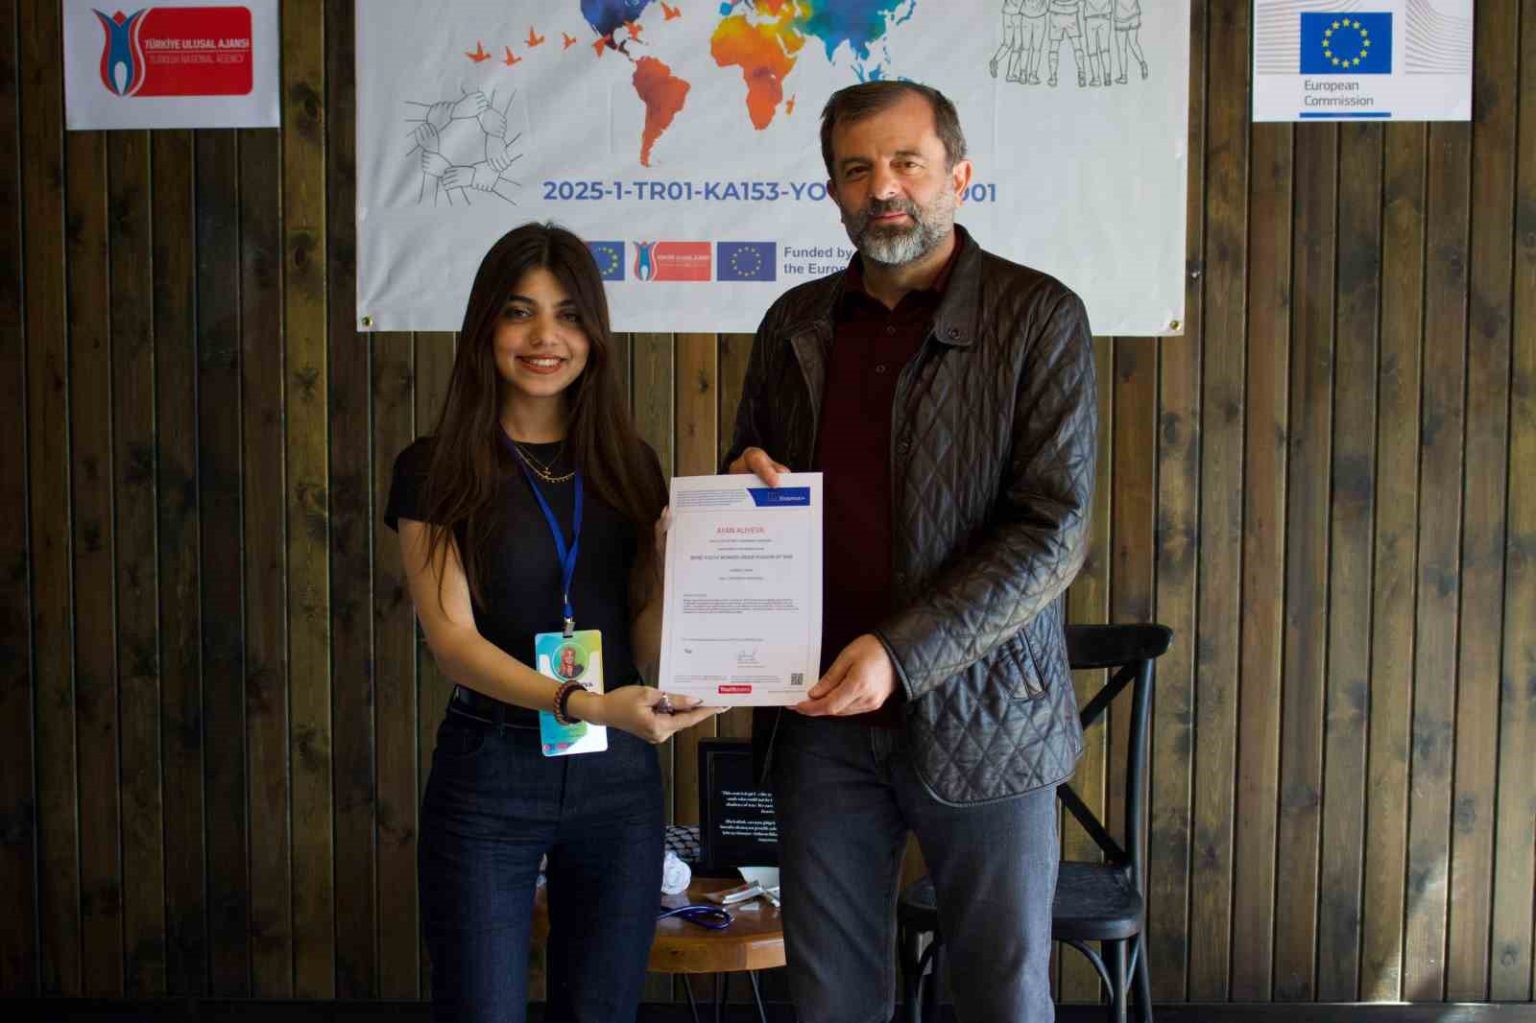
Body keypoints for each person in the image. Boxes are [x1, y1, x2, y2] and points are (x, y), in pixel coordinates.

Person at [724, 81, 1096, 1022]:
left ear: (958, 177)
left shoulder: (1037, 315)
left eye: (906, 162)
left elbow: (1052, 532)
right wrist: (742, 481)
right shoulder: (794, 322)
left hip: (991, 717)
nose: (882, 187)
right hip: (819, 718)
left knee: (1001, 997)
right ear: (833, 191)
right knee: (830, 999)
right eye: (857, 169)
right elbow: (751, 469)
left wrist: (900, 653)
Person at [386, 222, 720, 1022]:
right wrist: (586, 703)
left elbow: (644, 638)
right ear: (485, 328)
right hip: (491, 772)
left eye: (569, 315)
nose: (546, 337)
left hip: (618, 784)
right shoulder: (435, 467)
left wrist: (673, 586)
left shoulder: (629, 464)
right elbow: (454, 643)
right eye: (520, 312)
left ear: (594, 335)